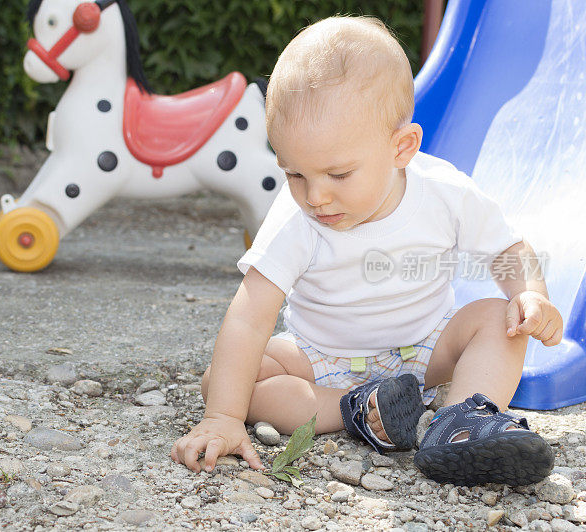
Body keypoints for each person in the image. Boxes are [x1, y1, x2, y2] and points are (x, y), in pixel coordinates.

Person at [170, 15, 563, 486]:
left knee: (500, 320)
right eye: (294, 174)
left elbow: (507, 249)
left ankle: (464, 420)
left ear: (402, 147)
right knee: (222, 381)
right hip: (321, 360)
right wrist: (224, 417)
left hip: (428, 345)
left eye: (337, 175)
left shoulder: (443, 192)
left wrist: (531, 295)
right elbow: (249, 316)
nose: (315, 196)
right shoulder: (295, 220)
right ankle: (358, 411)